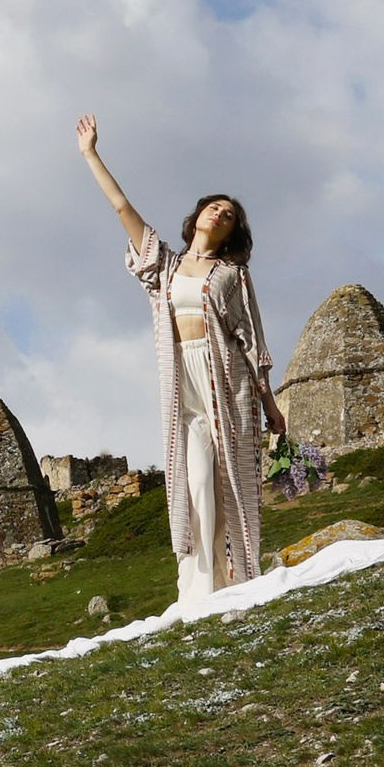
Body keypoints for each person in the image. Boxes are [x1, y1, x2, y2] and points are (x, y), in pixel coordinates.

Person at [74, 115, 285, 604]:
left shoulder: (233, 275)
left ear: (232, 233)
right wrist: (90, 154)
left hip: (225, 386)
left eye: (228, 214)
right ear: (197, 217)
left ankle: (236, 581)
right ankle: (198, 589)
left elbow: (251, 340)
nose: (219, 213)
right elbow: (121, 207)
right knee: (194, 487)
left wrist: (270, 404)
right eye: (214, 207)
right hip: (182, 388)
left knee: (229, 485)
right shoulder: (165, 265)